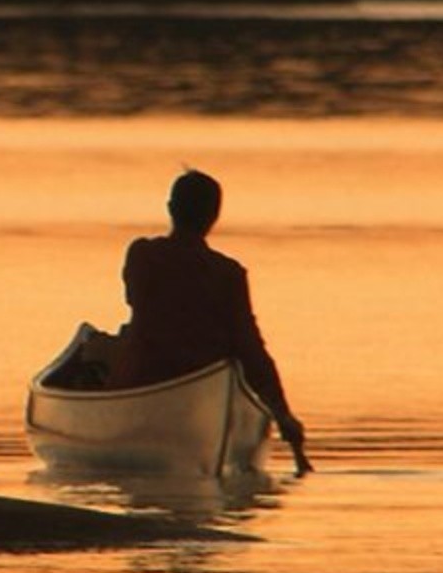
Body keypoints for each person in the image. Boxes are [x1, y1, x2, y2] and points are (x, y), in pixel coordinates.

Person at [108, 169, 314, 476]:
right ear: (214, 215)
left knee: (102, 347)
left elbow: (132, 300)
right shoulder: (229, 274)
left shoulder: (142, 255)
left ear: (170, 208)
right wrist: (282, 413)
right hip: (201, 379)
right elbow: (250, 349)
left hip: (142, 377)